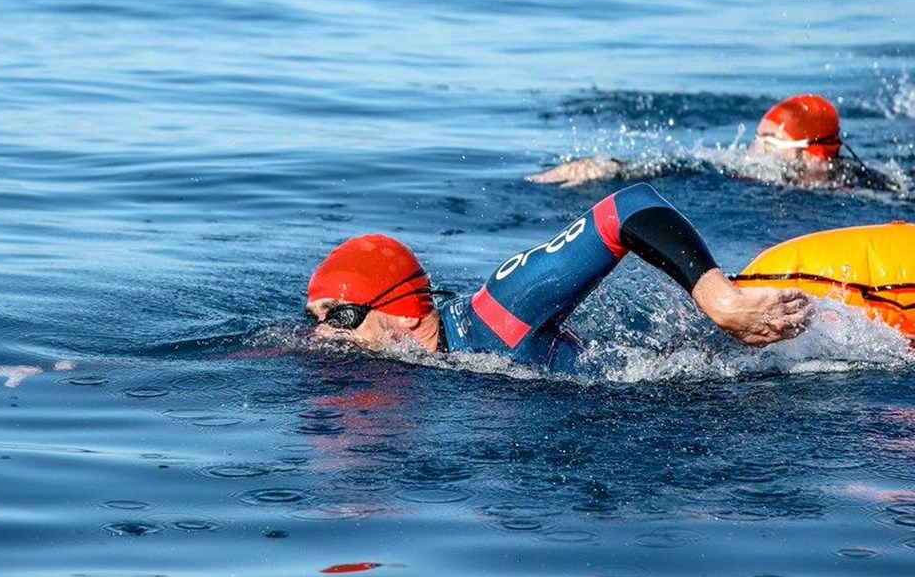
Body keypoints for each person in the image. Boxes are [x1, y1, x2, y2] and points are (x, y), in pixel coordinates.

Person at [306, 183, 811, 369]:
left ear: (405, 314)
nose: (322, 335)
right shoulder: (430, 364)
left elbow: (628, 206)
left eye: (341, 316)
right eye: (317, 318)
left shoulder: (501, 312)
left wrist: (720, 301)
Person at [528, 94, 901, 191]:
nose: (753, 152)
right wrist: (612, 169)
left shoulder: (869, 184)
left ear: (808, 153)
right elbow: (683, 167)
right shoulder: (750, 170)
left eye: (768, 144)